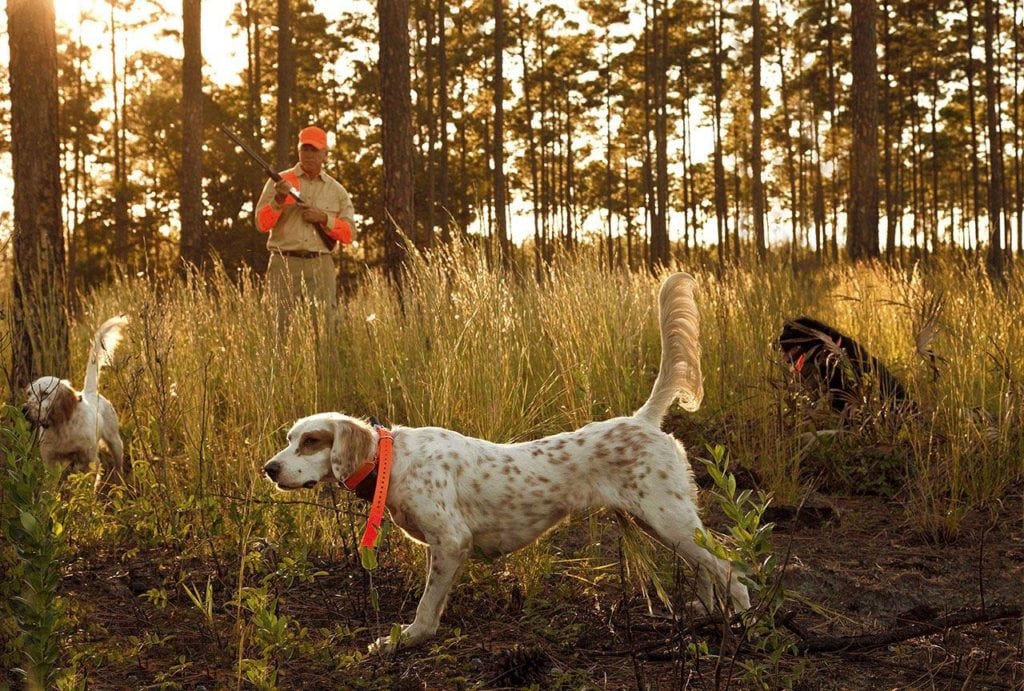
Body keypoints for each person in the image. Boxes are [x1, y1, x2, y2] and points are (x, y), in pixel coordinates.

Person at [254, 126, 355, 326]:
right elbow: (261, 224)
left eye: (314, 150)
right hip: (284, 262)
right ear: (298, 150)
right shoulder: (281, 182)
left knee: (324, 328)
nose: (308, 154)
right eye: (305, 149)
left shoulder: (336, 190)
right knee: (277, 327)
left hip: (320, 264)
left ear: (325, 154)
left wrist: (324, 219)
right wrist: (279, 199)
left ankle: (324, 359)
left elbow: (349, 234)